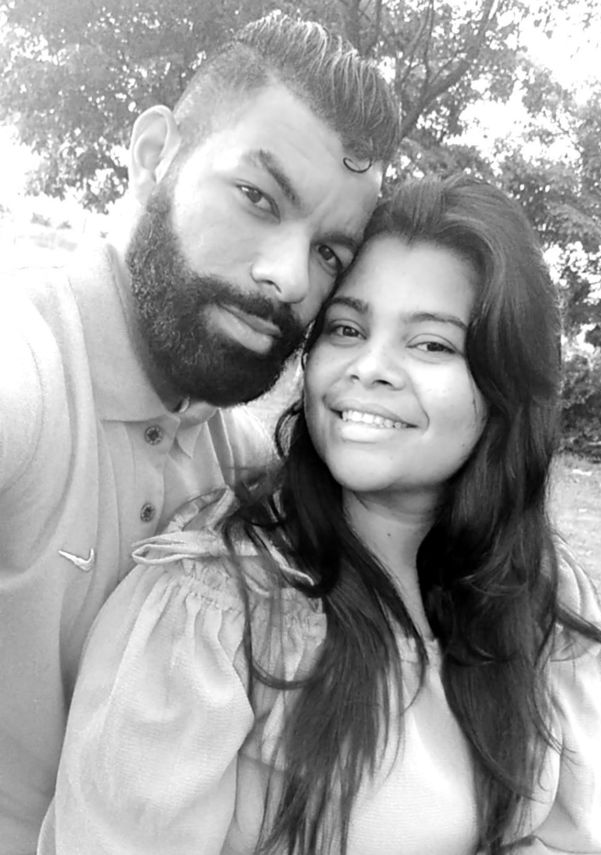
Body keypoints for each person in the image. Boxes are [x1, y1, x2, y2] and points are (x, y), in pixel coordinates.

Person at [39, 175, 601, 854]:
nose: (369, 367)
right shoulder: (216, 606)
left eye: (431, 343)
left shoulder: (544, 596)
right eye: (347, 328)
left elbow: (571, 838)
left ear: (506, 387)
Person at [0, 15, 399, 852]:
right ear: (154, 155)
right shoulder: (27, 366)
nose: (287, 278)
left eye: (330, 253)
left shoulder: (242, 467)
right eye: (258, 198)